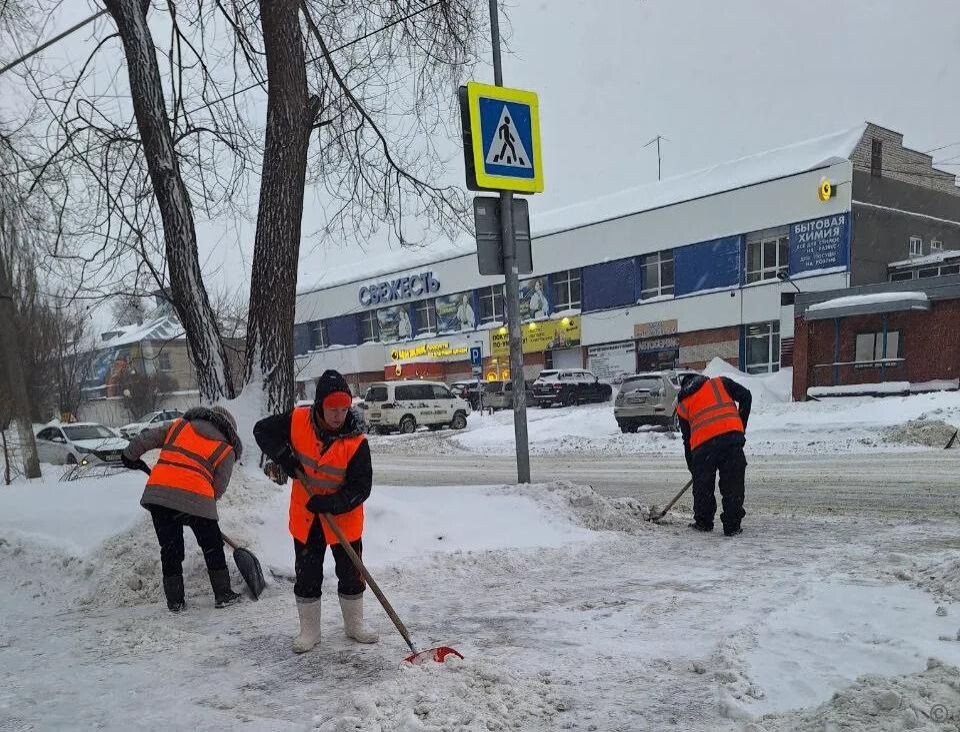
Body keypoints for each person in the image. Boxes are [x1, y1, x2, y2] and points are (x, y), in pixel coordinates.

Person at [253, 369, 378, 654]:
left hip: (343, 518)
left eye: (344, 409)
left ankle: (354, 624)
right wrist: (284, 456)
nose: (338, 416)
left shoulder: (357, 441)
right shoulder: (297, 420)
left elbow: (362, 487)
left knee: (351, 573)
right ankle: (309, 630)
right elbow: (262, 431)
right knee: (307, 574)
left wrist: (332, 503)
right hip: (307, 517)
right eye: (332, 409)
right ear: (320, 406)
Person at [121, 406, 243, 612]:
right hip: (198, 498)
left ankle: (175, 601)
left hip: (160, 496)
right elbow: (219, 487)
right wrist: (200, 507)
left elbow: (147, 437)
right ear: (229, 429)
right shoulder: (226, 449)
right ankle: (223, 594)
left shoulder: (179, 426)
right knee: (212, 546)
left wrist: (129, 455)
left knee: (170, 549)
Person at [675, 373, 752, 537]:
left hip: (702, 448)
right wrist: (740, 426)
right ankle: (732, 526)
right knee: (733, 485)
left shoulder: (682, 405)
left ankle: (703, 522)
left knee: (704, 488)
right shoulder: (720, 383)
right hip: (731, 440)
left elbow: (687, 440)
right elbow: (746, 396)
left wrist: (694, 470)